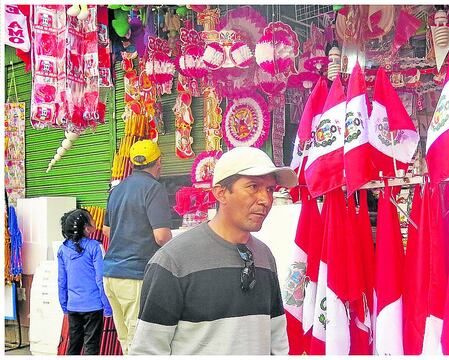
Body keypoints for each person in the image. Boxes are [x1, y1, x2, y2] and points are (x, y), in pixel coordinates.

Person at [129, 146, 296, 355]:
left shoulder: (264, 257)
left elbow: (277, 338)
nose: (265, 199)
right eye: (253, 186)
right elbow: (148, 350)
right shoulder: (173, 261)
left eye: (270, 189)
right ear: (221, 193)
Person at [102, 139, 173, 354]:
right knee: (139, 341)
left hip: (111, 276)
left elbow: (106, 230)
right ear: (158, 162)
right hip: (134, 276)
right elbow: (161, 236)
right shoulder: (153, 189)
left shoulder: (117, 189)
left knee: (126, 340)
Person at [57, 209, 112, 355]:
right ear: (86, 227)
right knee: (91, 347)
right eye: (92, 219)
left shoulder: (62, 249)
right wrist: (107, 307)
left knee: (74, 345)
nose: (95, 221)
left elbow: (61, 281)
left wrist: (64, 306)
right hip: (93, 306)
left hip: (73, 306)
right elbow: (101, 279)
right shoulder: (95, 247)